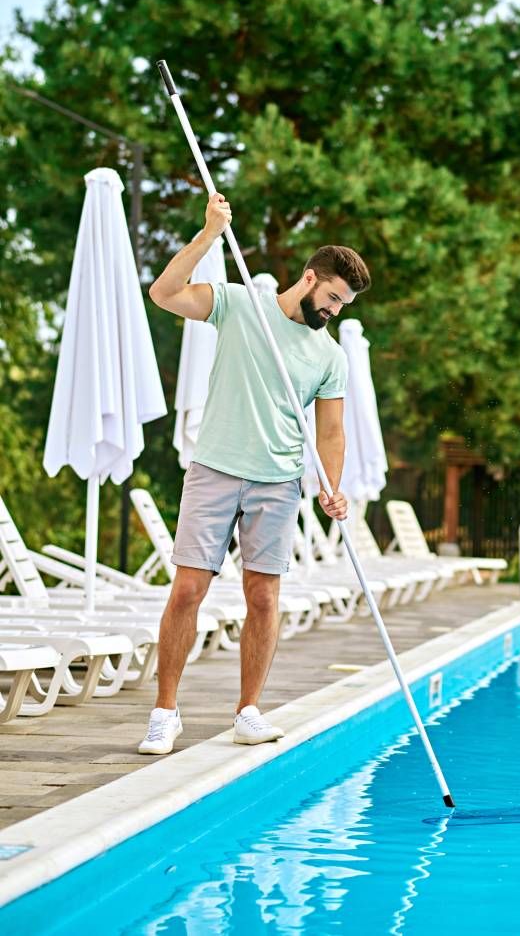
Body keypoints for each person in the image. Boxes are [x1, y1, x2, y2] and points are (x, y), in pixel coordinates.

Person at [138, 193, 371, 755]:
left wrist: (330, 488)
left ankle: (248, 711)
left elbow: (331, 433)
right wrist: (209, 234)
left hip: (277, 480)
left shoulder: (329, 356)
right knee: (189, 589)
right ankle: (164, 712)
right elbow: (163, 293)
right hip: (215, 467)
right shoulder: (241, 303)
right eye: (333, 298)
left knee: (264, 597)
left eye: (343, 305)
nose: (334, 311)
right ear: (311, 278)